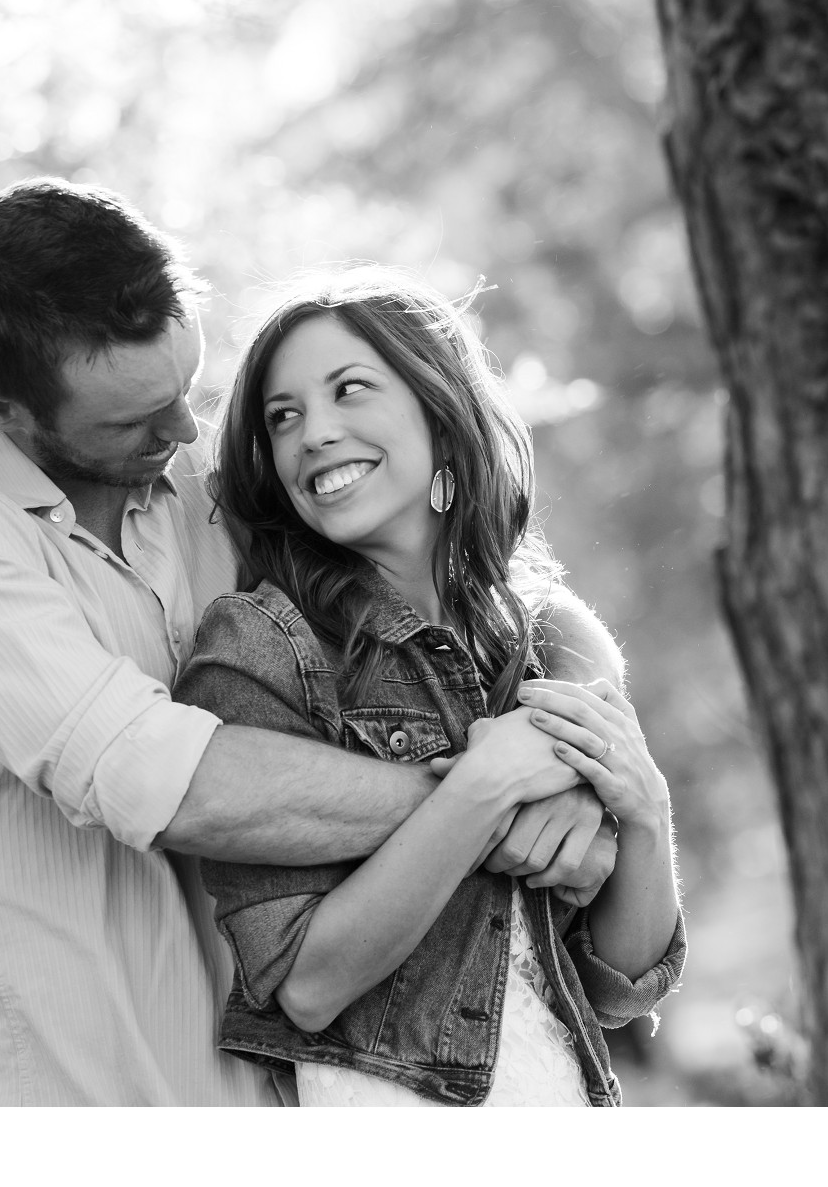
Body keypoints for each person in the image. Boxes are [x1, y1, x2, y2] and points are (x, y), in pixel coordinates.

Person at [0, 179, 623, 1105]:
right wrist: (487, 797)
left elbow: (496, 585)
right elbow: (169, 782)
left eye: (186, 387)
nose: (183, 430)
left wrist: (580, 723)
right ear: (4, 412)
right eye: (131, 420)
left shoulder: (210, 479)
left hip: (311, 1113)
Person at [173, 269, 685, 1105]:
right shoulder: (262, 647)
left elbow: (619, 985)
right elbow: (304, 983)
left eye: (350, 390)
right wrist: (485, 786)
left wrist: (646, 808)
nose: (314, 433)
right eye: (285, 415)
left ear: (439, 412)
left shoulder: (533, 643)